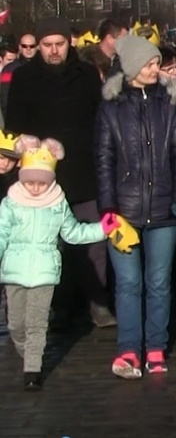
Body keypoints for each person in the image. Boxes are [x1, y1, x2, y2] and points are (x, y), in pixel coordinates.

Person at [6, 18, 114, 329]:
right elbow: (15, 127)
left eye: (60, 44)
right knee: (51, 243)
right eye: (47, 45)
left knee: (93, 242)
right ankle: (62, 304)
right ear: (38, 47)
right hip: (42, 174)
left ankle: (97, 302)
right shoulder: (25, 78)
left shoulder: (87, 75)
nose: (54, 51)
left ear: (70, 43)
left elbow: (101, 119)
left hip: (85, 170)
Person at [95, 35, 176, 379]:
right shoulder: (111, 107)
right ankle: (127, 350)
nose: (157, 70)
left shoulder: (169, 102)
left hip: (166, 210)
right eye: (151, 64)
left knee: (159, 282)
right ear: (134, 67)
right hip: (122, 211)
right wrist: (107, 208)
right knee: (128, 283)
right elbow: (104, 160)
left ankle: (155, 347)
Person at [0, 135, 116, 391]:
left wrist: (102, 229)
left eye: (41, 182)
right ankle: (28, 354)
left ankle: (32, 370)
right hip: (14, 272)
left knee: (37, 324)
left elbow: (73, 233)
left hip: (44, 274)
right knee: (16, 325)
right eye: (29, 181)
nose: (34, 187)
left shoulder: (57, 204)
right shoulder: (10, 204)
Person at [0, 33, 36, 116]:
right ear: (20, 47)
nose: (28, 49)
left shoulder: (45, 67)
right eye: (24, 46)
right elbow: (5, 97)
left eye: (32, 46)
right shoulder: (9, 69)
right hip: (18, 118)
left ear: (37, 46)